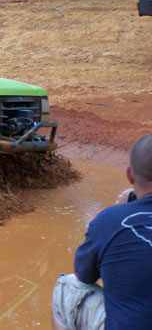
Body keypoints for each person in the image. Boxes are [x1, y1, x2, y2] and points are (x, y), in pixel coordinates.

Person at [52, 133, 152, 329]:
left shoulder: (110, 220)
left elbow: (84, 275)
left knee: (68, 286)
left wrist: (119, 212)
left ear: (130, 175)